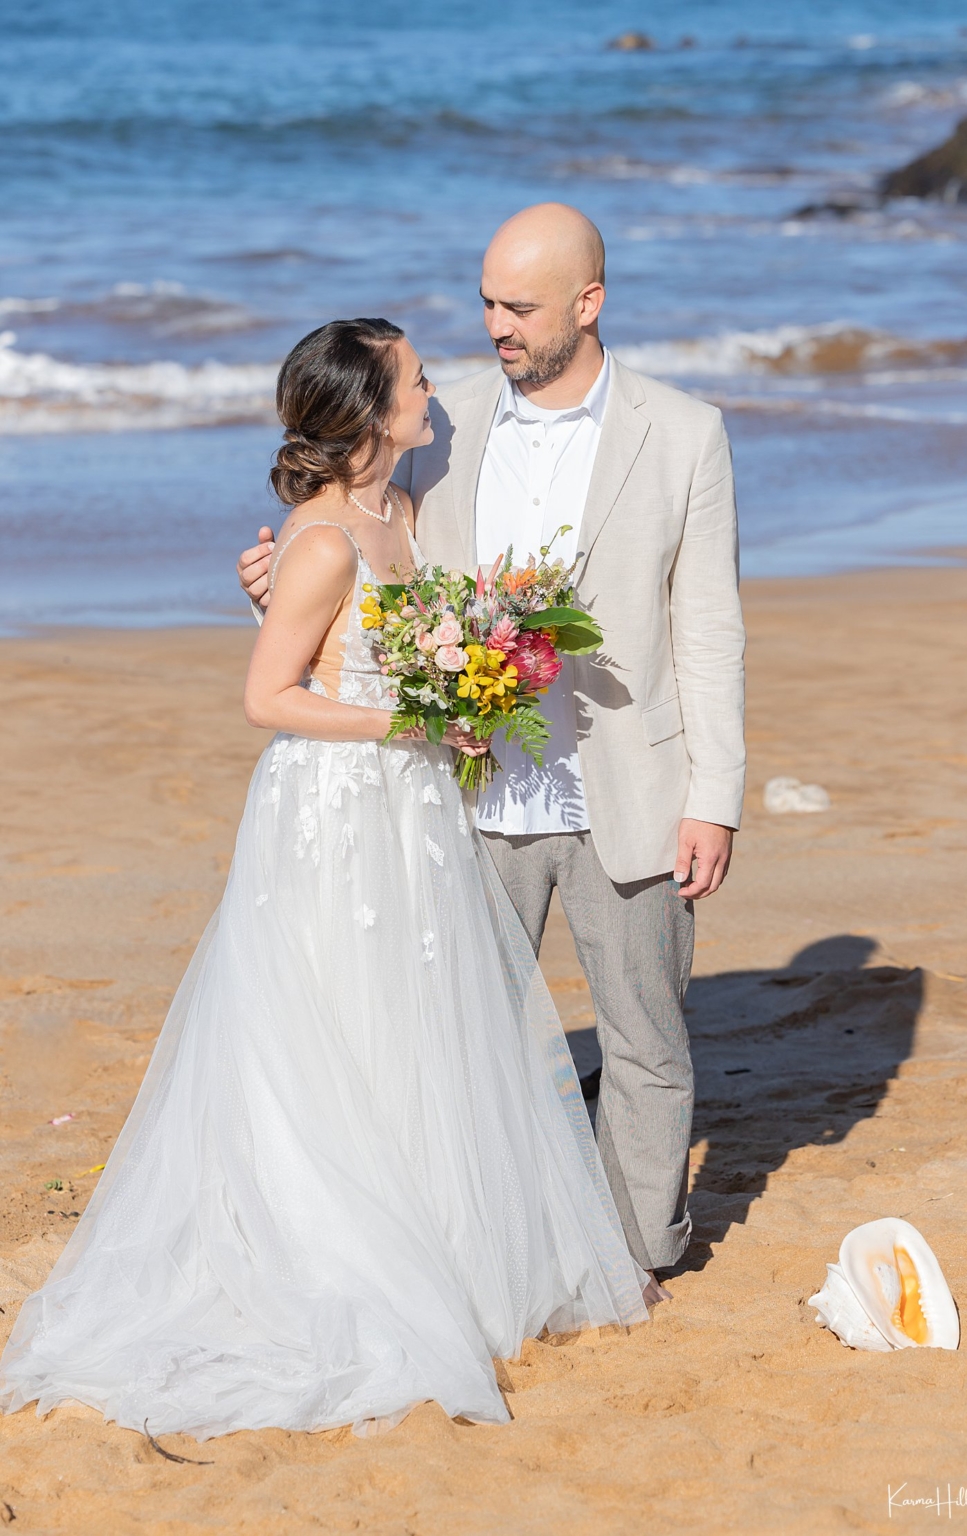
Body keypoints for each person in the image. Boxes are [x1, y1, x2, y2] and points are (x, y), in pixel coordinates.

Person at [0, 319, 649, 1442]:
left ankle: (442, 1244)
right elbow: (269, 695)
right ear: (371, 411)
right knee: (332, 1021)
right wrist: (411, 714)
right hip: (334, 810)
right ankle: (334, 1256)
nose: (434, 388)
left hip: (410, 807)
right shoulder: (320, 543)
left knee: (418, 1021)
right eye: (416, 378)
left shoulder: (399, 510)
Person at [239, 205, 746, 1295]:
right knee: (463, 1042)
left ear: (587, 305)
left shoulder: (686, 432)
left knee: (647, 1043)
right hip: (464, 796)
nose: (495, 326)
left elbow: (708, 626)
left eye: (518, 308)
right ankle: (507, 1251)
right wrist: (270, 586)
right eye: (485, 302)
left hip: (632, 786)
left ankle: (636, 1256)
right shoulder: (447, 421)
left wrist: (716, 796)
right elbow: (359, 575)